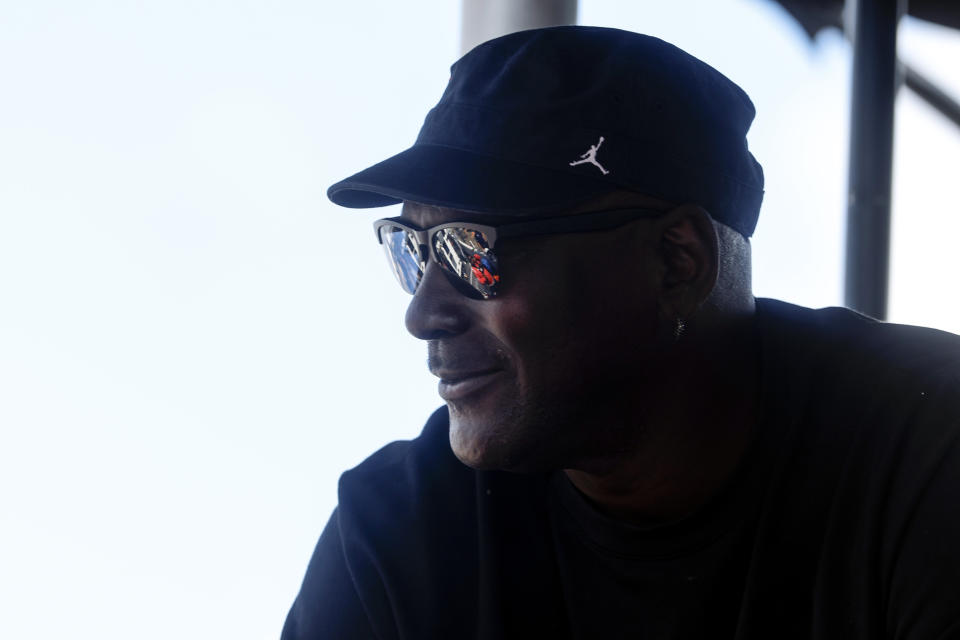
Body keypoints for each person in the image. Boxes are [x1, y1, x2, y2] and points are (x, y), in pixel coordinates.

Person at [282, 26, 960, 639]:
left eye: (471, 251)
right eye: (413, 250)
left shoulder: (926, 453)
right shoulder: (402, 530)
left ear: (677, 260)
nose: (423, 313)